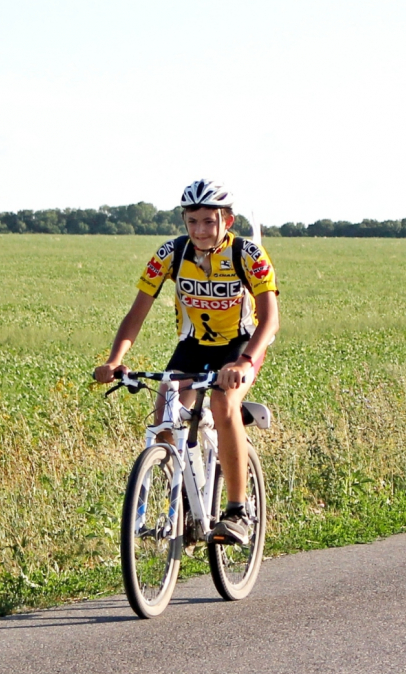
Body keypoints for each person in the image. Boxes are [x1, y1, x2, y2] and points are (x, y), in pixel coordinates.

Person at [94, 179, 280, 544]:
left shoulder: (248, 255)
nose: (199, 230)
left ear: (227, 221)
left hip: (240, 345)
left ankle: (237, 511)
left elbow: (270, 319)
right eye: (192, 221)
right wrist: (115, 360)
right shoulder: (171, 253)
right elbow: (137, 313)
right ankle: (180, 507)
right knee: (164, 408)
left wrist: (244, 362)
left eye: (208, 221)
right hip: (194, 345)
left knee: (223, 402)